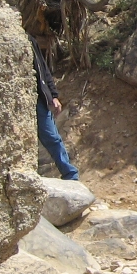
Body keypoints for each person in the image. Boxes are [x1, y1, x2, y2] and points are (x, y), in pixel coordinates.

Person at [30, 35, 79, 181]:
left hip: (38, 98)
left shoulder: (30, 41)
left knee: (52, 137)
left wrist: (53, 95)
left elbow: (43, 70)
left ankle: (70, 174)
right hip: (20, 99)